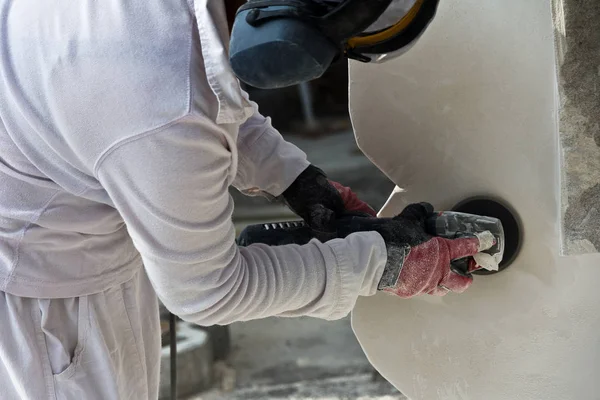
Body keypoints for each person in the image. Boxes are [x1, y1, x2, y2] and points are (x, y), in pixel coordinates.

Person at [0, 0, 491, 398]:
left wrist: (297, 180)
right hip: (48, 297)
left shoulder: (165, 38)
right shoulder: (155, 98)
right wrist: (383, 265)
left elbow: (212, 94)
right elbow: (207, 291)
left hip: (64, 219)